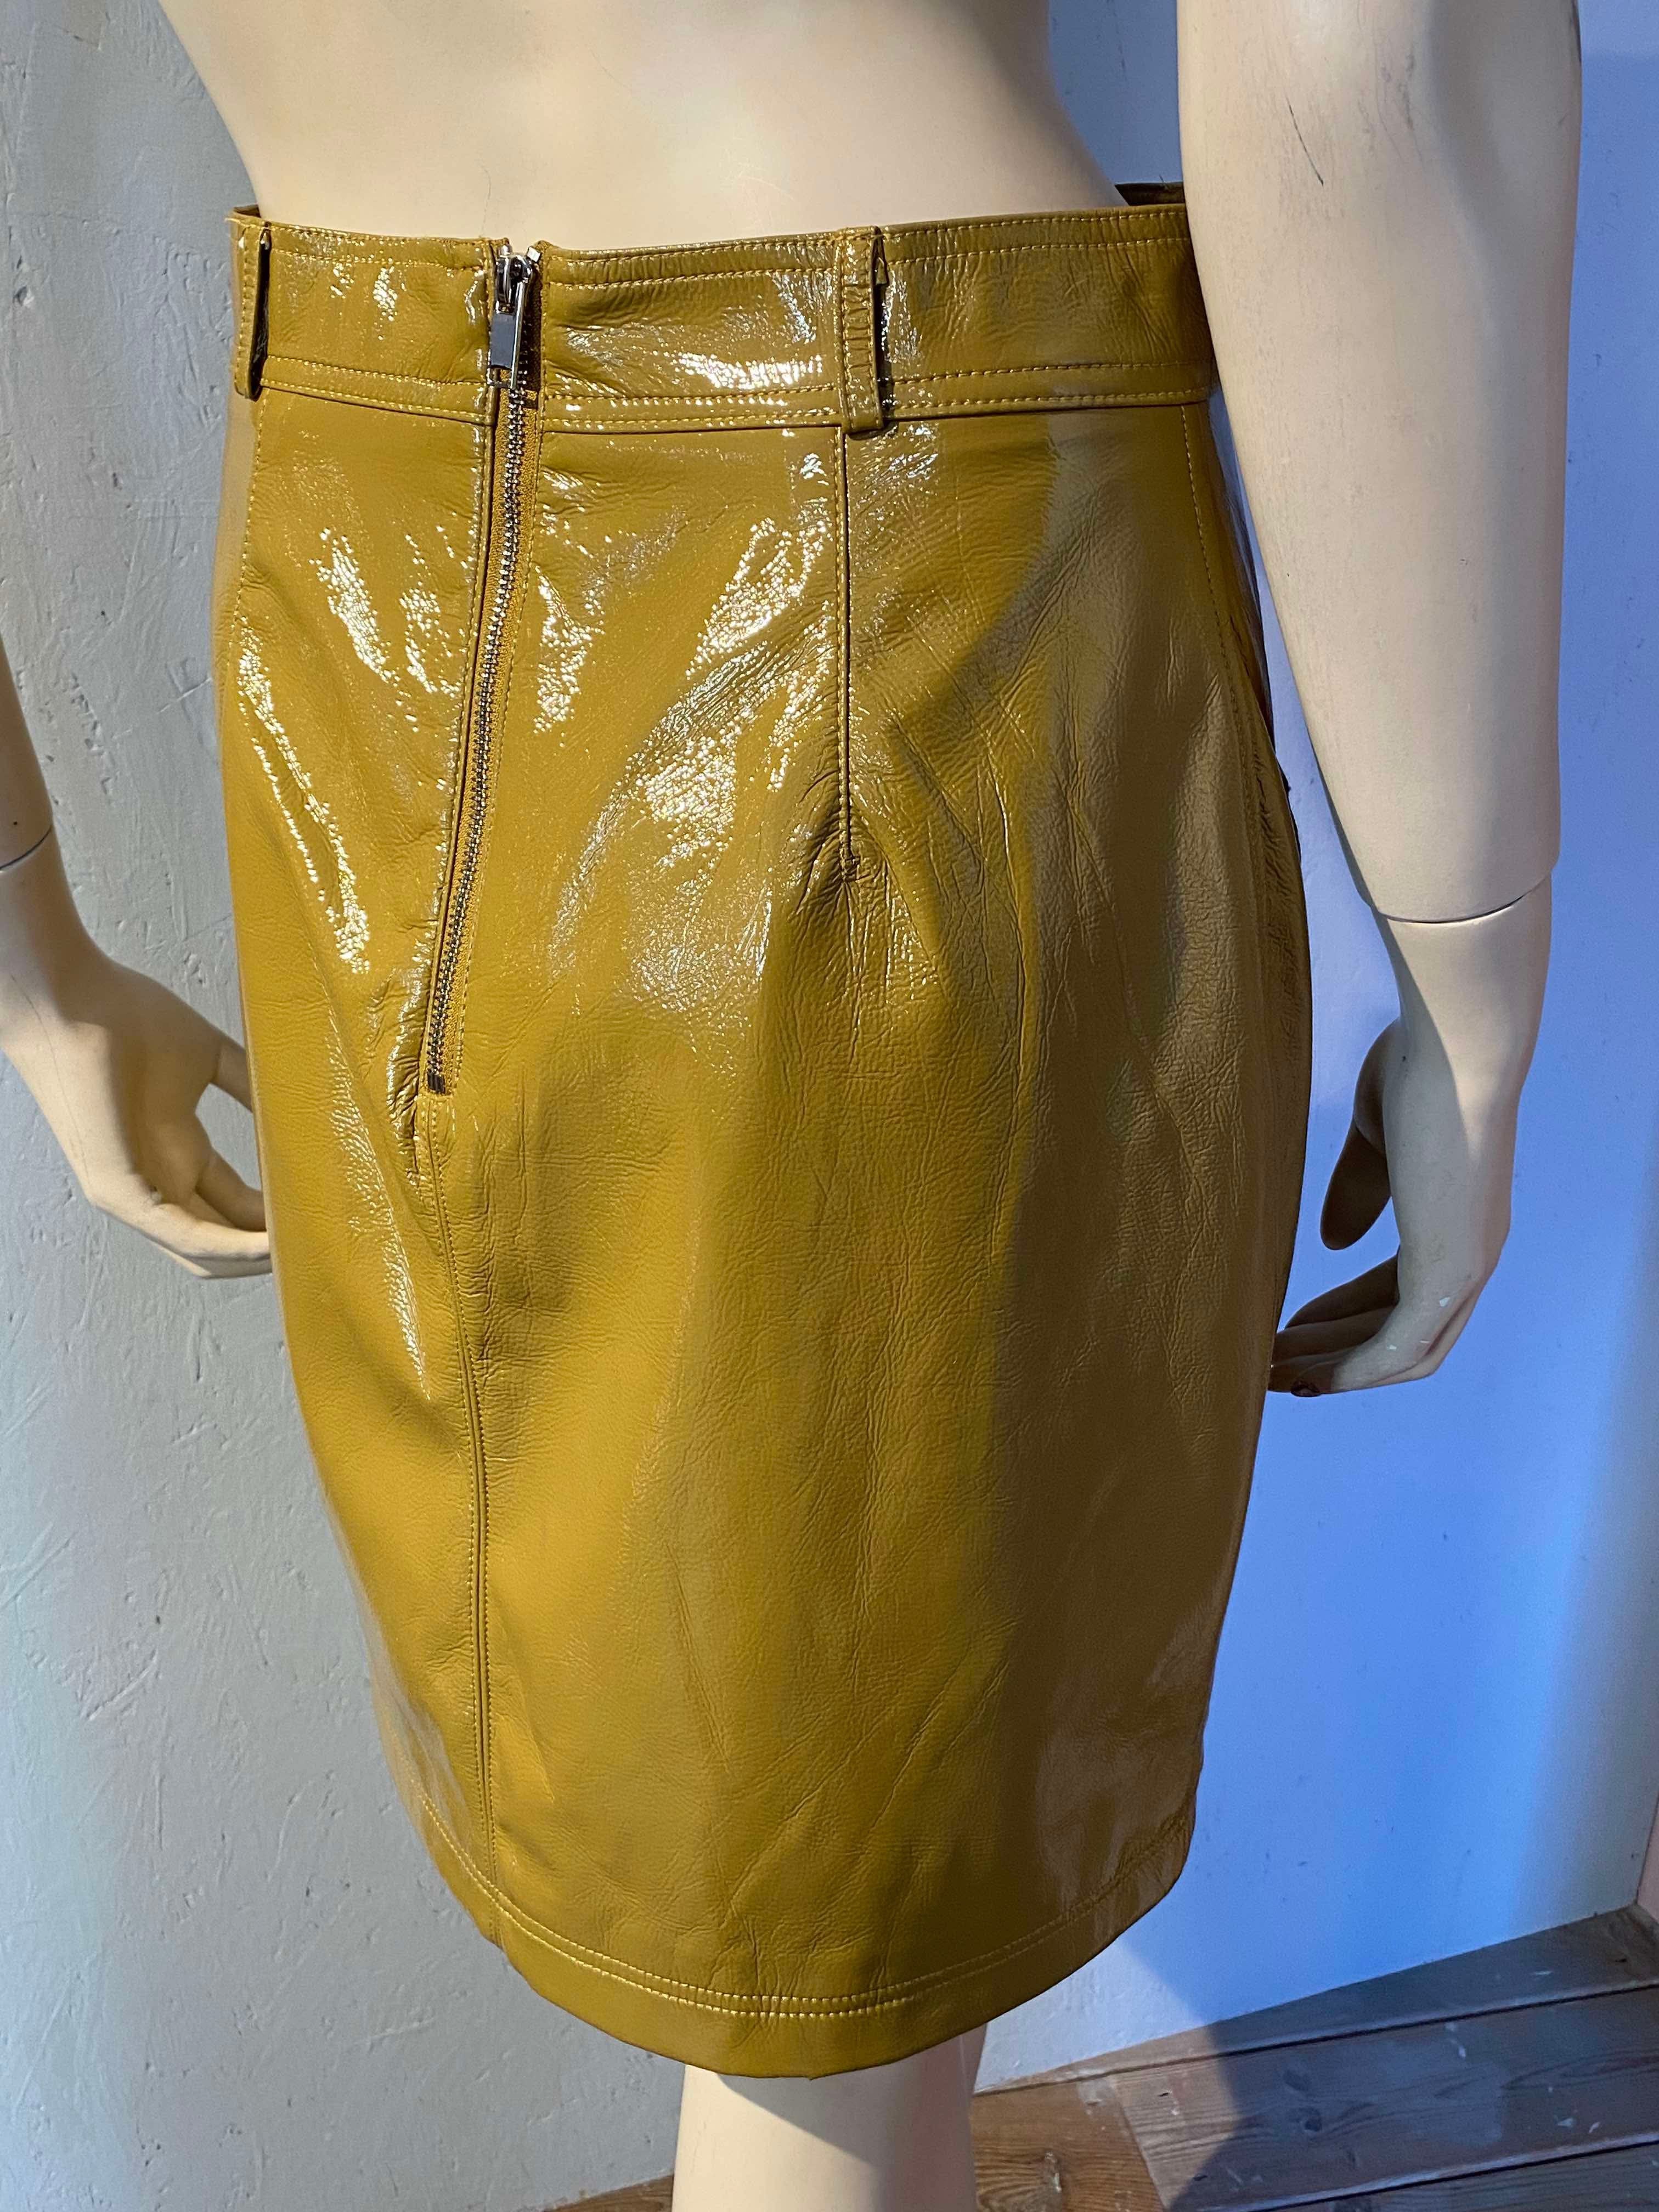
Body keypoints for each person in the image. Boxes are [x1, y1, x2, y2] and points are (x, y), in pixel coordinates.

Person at [0, 4, 1577, 2205]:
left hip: (350, 587)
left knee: (748, 1821)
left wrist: (34, 959)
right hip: (916, 572)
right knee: (839, 1937)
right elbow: (1359, 49)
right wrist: (1476, 956)